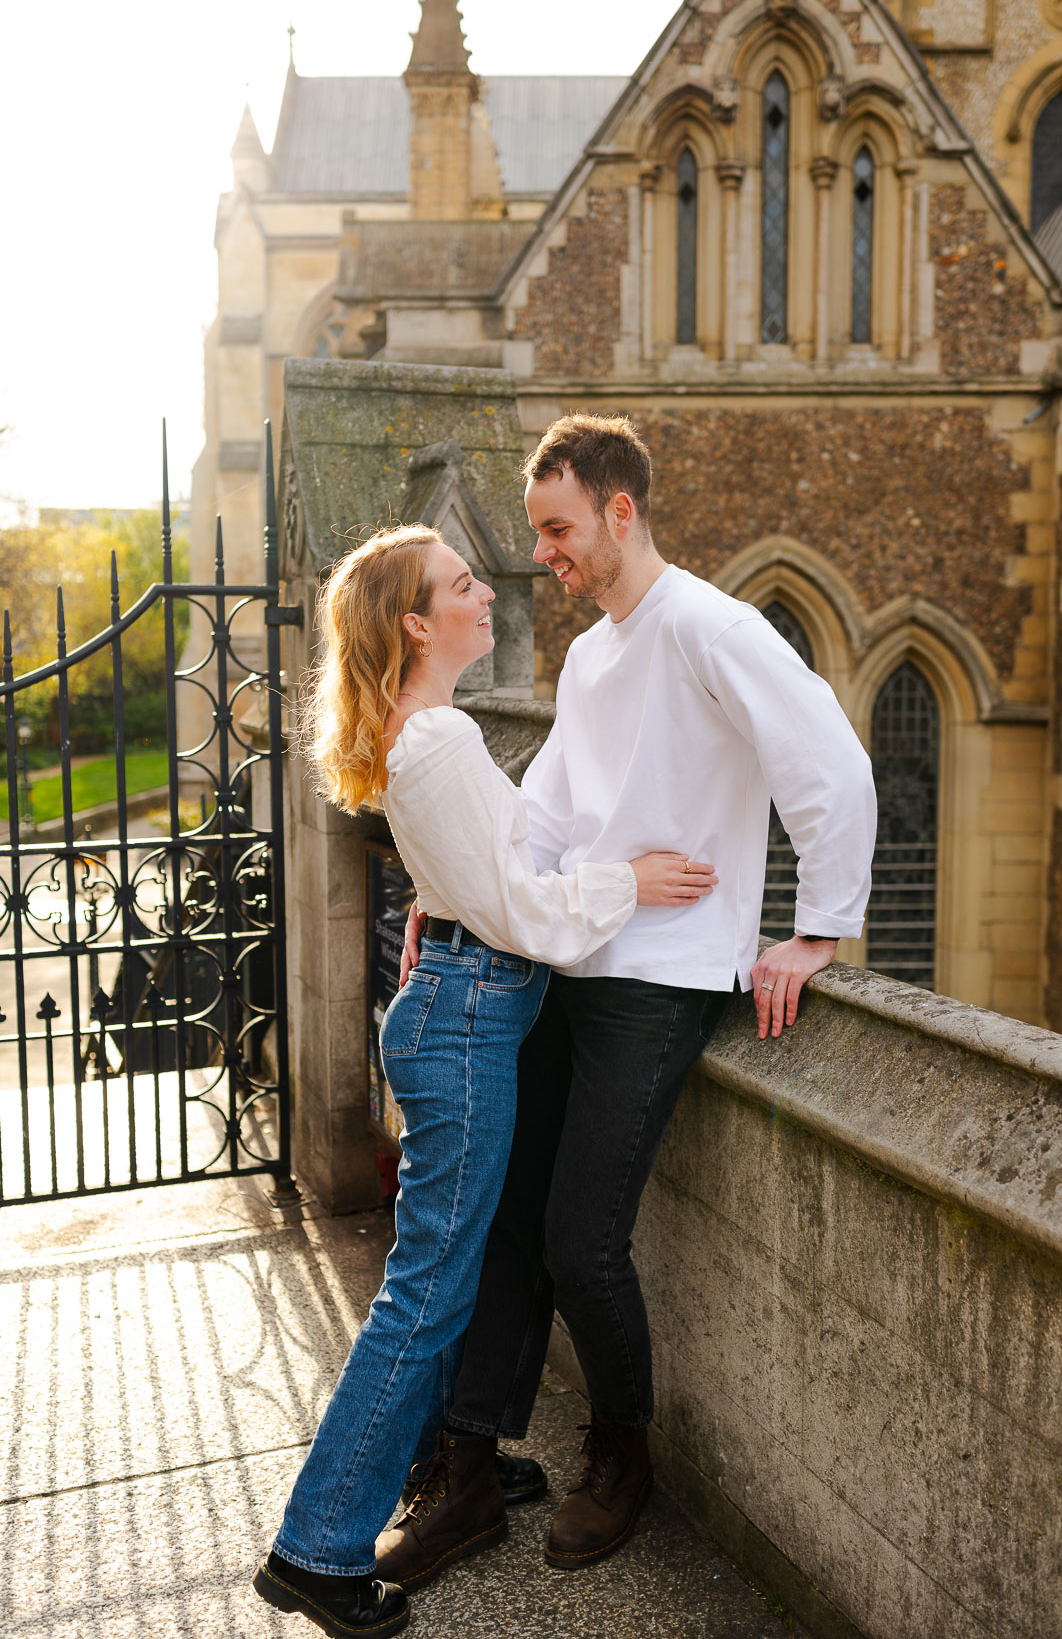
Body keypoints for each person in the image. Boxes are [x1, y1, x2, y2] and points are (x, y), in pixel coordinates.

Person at [375, 413, 876, 1589]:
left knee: (582, 1241)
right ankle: (468, 1470)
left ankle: (622, 1447)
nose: (544, 550)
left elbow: (830, 761)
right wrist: (449, 893)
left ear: (620, 510)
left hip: (663, 979)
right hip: (574, 956)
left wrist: (813, 930)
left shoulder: (710, 625)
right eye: (536, 531)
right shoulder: (595, 652)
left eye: (557, 526)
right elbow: (542, 815)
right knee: (503, 1214)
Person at [252, 523, 717, 1638]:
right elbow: (528, 912)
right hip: (465, 1019)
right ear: (419, 622)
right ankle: (316, 1549)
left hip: (457, 1011)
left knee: (441, 1277)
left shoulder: (426, 735)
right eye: (466, 585)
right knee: (427, 1292)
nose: (489, 595)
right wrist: (635, 880)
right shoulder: (443, 738)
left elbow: (485, 871)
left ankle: (448, 1472)